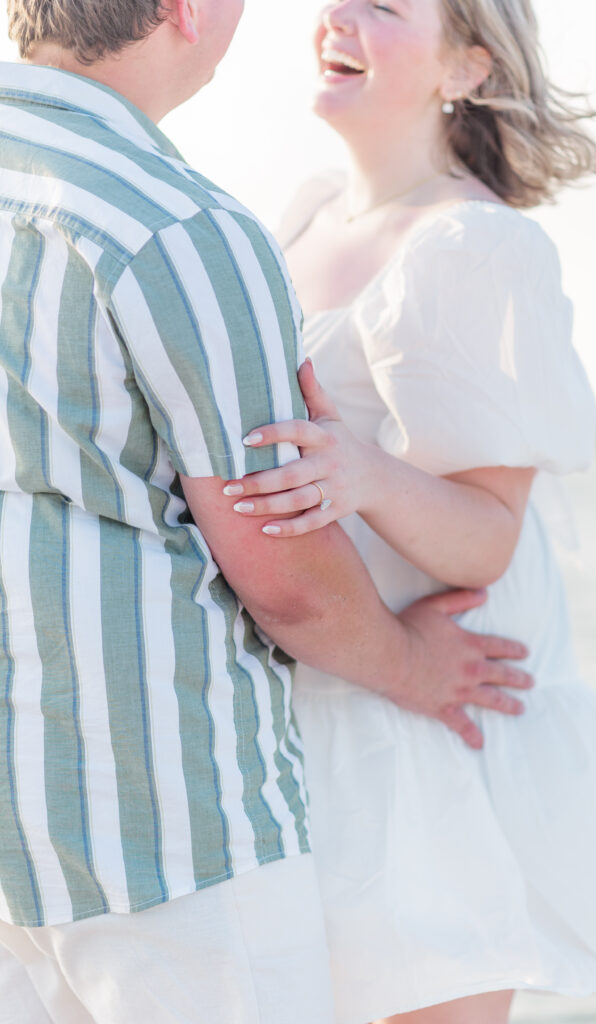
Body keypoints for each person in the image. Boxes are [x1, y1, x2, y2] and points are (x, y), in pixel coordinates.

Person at [0, 1, 536, 1022]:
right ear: (184, 11)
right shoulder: (178, 224)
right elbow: (285, 570)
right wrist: (420, 665)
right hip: (168, 821)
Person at [225, 0, 596, 1021]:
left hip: (431, 733)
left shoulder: (473, 245)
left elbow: (488, 533)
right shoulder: (299, 215)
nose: (336, 18)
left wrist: (364, 475)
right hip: (321, 700)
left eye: (381, 8)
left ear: (466, 68)